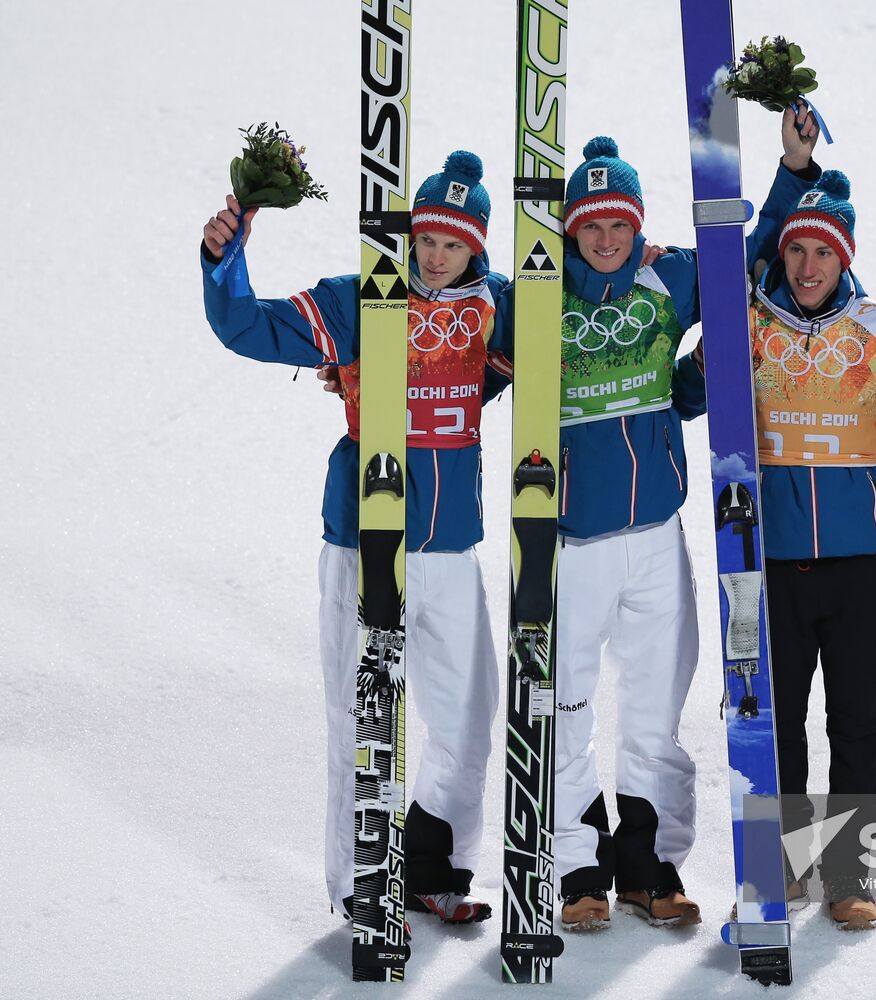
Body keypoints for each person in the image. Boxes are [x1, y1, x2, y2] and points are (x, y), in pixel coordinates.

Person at [493, 113, 819, 933]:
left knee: (652, 713)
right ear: (570, 231)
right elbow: (455, 333)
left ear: (637, 226)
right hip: (568, 544)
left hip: (654, 540)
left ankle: (648, 866)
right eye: (591, 227)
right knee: (564, 706)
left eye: (619, 226)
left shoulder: (666, 277)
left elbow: (748, 259)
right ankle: (576, 867)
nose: (606, 240)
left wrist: (792, 171)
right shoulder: (534, 295)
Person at [201, 151, 511, 926]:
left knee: (468, 721)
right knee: (361, 719)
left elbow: (568, 331)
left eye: (453, 244)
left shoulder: (500, 307)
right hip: (363, 540)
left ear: (476, 248)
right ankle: (360, 881)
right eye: (426, 239)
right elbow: (246, 326)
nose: (435, 256)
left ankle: (434, 868)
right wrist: (224, 257)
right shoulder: (361, 298)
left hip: (451, 547)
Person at [683, 165, 876, 930]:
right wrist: (704, 362)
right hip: (770, 559)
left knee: (856, 722)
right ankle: (781, 867)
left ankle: (849, 874)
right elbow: (691, 395)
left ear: (843, 257)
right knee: (774, 720)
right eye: (796, 249)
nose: (806, 265)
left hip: (861, 561)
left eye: (823, 252)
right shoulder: (749, 323)